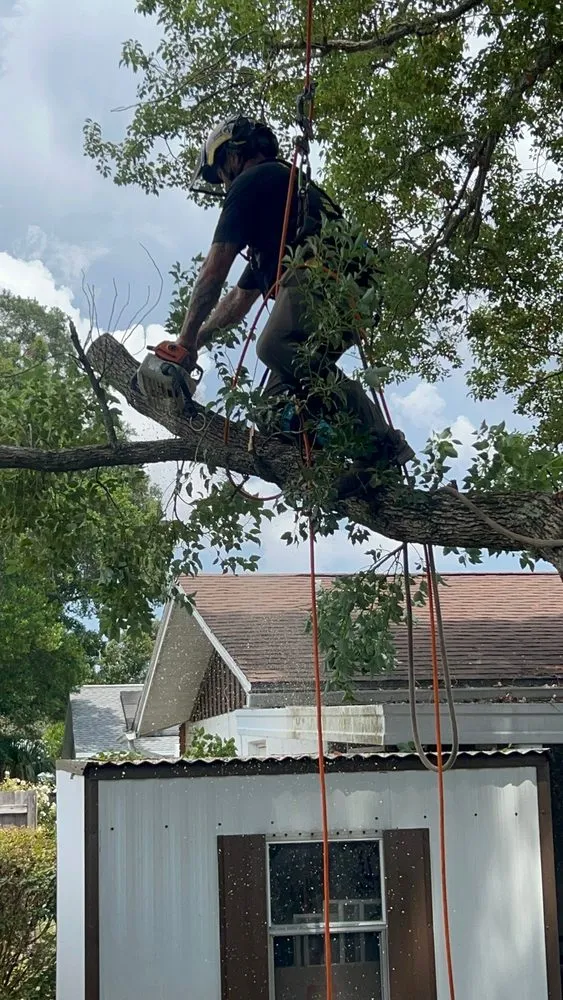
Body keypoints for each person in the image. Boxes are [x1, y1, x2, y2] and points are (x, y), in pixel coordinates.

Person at [176, 114, 414, 469]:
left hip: (324, 275)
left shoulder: (253, 181)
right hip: (347, 292)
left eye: (221, 171)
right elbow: (238, 301)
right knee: (272, 409)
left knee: (273, 345)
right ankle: (350, 457)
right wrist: (199, 340)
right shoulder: (278, 216)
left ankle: (380, 443)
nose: (224, 183)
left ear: (233, 154)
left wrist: (182, 342)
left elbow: (212, 275)